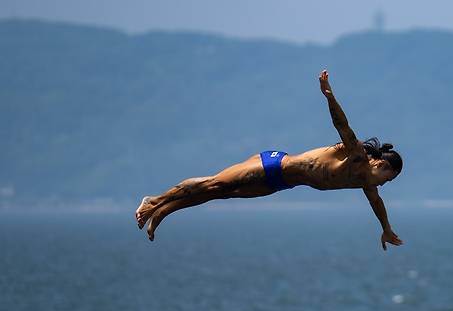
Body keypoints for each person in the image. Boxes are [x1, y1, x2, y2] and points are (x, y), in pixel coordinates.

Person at [135, 70, 403, 250]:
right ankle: (155, 201)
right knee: (215, 183)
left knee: (220, 194)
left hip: (279, 183)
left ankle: (163, 211)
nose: (383, 184)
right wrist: (329, 96)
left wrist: (386, 229)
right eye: (387, 178)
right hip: (273, 164)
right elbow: (343, 126)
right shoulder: (356, 157)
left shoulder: (366, 183)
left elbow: (377, 204)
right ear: (380, 165)